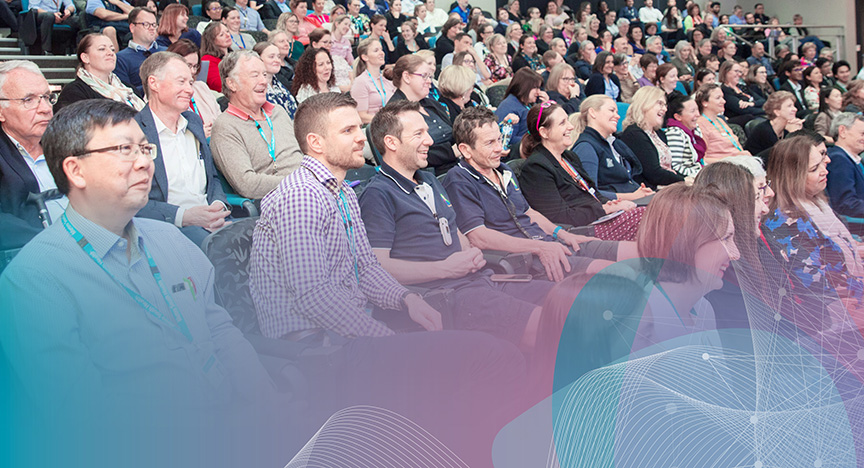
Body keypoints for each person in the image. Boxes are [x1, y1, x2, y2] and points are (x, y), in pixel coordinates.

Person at [0, 98, 290, 467]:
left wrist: (265, 402)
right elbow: (81, 419)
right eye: (124, 149)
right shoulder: (35, 281)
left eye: (144, 147)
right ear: (75, 170)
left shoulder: (172, 240)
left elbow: (219, 331)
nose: (144, 161)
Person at [249, 92, 526, 468]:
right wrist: (383, 334)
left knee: (478, 358)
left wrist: (408, 301)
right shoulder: (301, 197)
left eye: (358, 127)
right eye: (347, 130)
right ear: (315, 142)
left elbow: (366, 269)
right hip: (320, 351)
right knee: (494, 357)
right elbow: (313, 296)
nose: (361, 137)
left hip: (349, 334)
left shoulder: (342, 192)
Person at [358, 100, 550, 349]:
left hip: (481, 279)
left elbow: (453, 229)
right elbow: (379, 267)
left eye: (427, 132)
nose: (429, 140)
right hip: (448, 295)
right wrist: (446, 269)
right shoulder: (378, 194)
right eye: (419, 134)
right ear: (391, 143)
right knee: (549, 324)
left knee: (565, 303)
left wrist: (470, 251)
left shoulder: (429, 179)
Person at [443, 106, 620, 282]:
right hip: (526, 259)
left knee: (633, 254)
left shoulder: (504, 171)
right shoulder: (459, 179)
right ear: (466, 150)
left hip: (548, 242)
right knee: (619, 274)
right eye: (490, 143)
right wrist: (540, 247)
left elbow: (528, 212)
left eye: (499, 140)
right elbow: (479, 238)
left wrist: (562, 233)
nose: (500, 148)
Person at [133, 52, 229, 246]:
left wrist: (217, 205)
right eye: (181, 82)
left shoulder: (193, 122)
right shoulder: (133, 132)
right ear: (154, 83)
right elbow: (130, 201)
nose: (190, 90)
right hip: (168, 229)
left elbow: (213, 178)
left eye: (191, 83)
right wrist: (184, 216)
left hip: (213, 221)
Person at [762, 135, 864, 309]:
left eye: (822, 163)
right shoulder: (786, 221)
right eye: (815, 168)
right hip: (839, 310)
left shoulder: (814, 200)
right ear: (792, 175)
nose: (825, 171)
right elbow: (814, 284)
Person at [518, 101, 644, 239]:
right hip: (578, 232)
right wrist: (604, 209)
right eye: (562, 123)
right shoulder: (536, 168)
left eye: (568, 121)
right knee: (643, 218)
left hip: (597, 219)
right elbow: (559, 217)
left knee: (653, 212)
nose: (571, 127)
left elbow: (592, 192)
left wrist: (608, 203)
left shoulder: (569, 157)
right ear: (544, 132)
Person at [211, 51, 303, 199]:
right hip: (281, 199)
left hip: (310, 187)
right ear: (232, 84)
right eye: (255, 75)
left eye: (264, 75)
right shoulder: (225, 127)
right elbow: (248, 185)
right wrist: (300, 182)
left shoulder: (278, 112)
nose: (264, 81)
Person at [0, 61, 68, 249]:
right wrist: (56, 243)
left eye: (47, 97)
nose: (46, 109)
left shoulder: (67, 145)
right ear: (1, 111)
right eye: (28, 100)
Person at [572, 95, 655, 201]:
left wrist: (641, 192)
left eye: (616, 112)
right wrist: (632, 196)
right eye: (611, 110)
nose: (618, 116)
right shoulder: (586, 147)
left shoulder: (616, 144)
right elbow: (588, 193)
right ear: (592, 113)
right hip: (615, 210)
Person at [388, 54, 456, 174]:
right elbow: (409, 155)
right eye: (424, 76)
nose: (429, 81)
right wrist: (452, 152)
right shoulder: (395, 112)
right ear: (407, 77)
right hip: (429, 174)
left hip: (454, 165)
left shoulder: (432, 104)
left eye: (429, 77)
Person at [56, 33, 146, 112]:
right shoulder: (74, 92)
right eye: (102, 49)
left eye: (112, 49)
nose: (110, 53)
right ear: (85, 57)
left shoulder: (128, 89)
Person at [620, 87, 684, 189]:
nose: (665, 109)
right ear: (644, 104)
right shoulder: (634, 135)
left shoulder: (658, 133)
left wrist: (687, 178)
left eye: (665, 105)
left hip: (668, 186)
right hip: (650, 191)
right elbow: (653, 173)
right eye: (660, 103)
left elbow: (669, 168)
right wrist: (684, 180)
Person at [167, 39, 222, 136]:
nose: (192, 71)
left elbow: (219, 117)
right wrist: (198, 134)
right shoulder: (164, 91)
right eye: (188, 65)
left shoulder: (201, 87)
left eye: (195, 66)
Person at [695, 83, 750, 163]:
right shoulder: (700, 124)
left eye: (723, 97)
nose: (723, 101)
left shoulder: (720, 121)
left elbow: (735, 145)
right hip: (723, 167)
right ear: (704, 102)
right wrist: (731, 160)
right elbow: (703, 159)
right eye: (718, 98)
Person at [494, 68, 547, 151]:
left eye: (539, 88)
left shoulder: (526, 104)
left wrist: (545, 106)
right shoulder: (510, 107)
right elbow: (509, 140)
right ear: (525, 87)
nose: (538, 92)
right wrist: (535, 139)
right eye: (536, 88)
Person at [115, 7, 165, 94]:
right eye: (146, 24)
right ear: (132, 28)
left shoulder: (167, 51)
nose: (152, 28)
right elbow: (126, 93)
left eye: (154, 25)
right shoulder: (120, 59)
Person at [826, 113, 864, 219]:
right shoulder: (838, 160)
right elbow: (846, 204)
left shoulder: (851, 158)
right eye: (862, 134)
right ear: (842, 131)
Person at [351, 38, 396, 124]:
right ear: (365, 57)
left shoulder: (386, 80)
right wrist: (386, 121)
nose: (381, 53)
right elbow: (361, 116)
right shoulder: (361, 82)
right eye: (376, 50)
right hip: (374, 128)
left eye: (381, 50)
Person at [744, 90, 802, 155]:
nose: (795, 109)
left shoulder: (789, 127)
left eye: (793, 106)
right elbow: (781, 156)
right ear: (777, 112)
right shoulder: (764, 130)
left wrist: (799, 131)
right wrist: (793, 134)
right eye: (789, 106)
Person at [252, 40, 299, 118]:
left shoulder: (284, 82)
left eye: (278, 57)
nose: (277, 60)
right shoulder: (253, 87)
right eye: (271, 57)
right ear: (258, 59)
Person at [664, 93, 706, 177]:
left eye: (697, 110)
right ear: (678, 117)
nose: (698, 114)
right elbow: (675, 167)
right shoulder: (675, 133)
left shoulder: (694, 129)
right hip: (687, 179)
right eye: (692, 111)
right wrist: (701, 175)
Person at [719, 60, 764, 127]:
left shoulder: (742, 87)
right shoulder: (724, 90)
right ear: (726, 72)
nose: (739, 74)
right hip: (743, 120)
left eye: (740, 72)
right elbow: (744, 110)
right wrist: (765, 110)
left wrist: (752, 103)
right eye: (736, 71)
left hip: (757, 115)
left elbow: (763, 101)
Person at [200, 22, 232, 92]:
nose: (227, 35)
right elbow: (219, 85)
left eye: (227, 31)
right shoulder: (208, 59)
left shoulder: (235, 56)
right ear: (212, 40)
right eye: (221, 35)